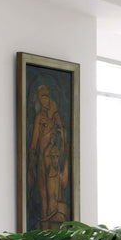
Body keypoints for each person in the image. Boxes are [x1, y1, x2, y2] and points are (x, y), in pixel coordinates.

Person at [28, 83, 69, 229]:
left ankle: (56, 238)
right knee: (44, 201)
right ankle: (44, 239)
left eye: (47, 96)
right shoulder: (39, 118)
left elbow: (62, 134)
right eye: (42, 97)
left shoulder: (53, 117)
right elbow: (33, 144)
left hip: (53, 161)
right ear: (39, 99)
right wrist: (29, 170)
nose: (45, 100)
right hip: (41, 163)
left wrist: (55, 115)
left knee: (56, 198)